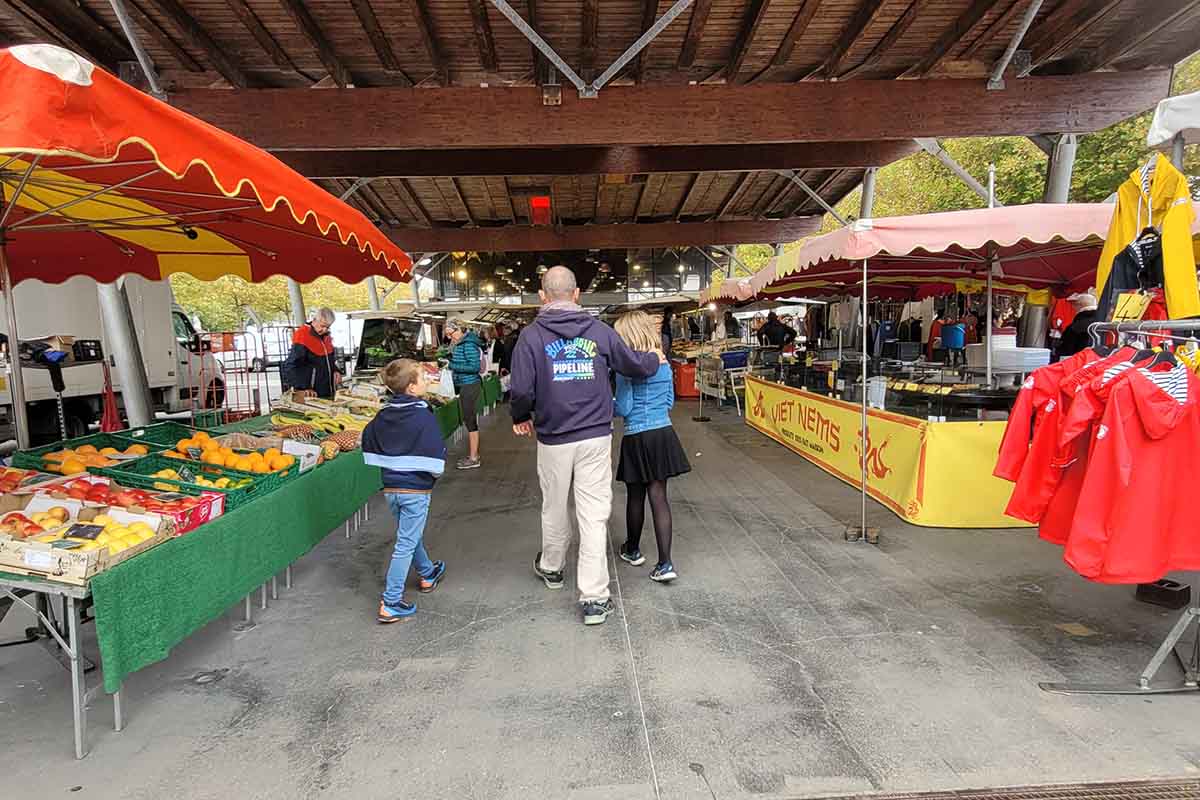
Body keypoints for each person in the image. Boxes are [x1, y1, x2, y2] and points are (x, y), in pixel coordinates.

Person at [510, 266, 662, 626]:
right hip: (595, 434)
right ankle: (594, 598)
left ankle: (552, 567)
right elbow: (632, 364)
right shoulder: (599, 331)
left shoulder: (530, 337)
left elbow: (520, 389)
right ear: (577, 294)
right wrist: (654, 358)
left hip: (553, 437)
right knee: (593, 513)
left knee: (554, 504)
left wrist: (521, 415)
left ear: (542, 296)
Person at [362, 359, 448, 623]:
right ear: (411, 388)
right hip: (416, 490)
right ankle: (391, 601)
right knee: (405, 543)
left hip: (391, 488)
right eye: (423, 378)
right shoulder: (423, 415)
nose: (427, 381)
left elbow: (367, 437)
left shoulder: (383, 414)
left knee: (408, 535)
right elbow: (435, 451)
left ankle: (427, 572)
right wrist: (433, 474)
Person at [612, 311, 691, 583]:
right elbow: (669, 401)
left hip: (637, 435)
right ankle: (665, 563)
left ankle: (632, 550)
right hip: (663, 432)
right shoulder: (664, 362)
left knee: (635, 496)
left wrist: (604, 405)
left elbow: (624, 407)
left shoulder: (627, 368)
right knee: (659, 497)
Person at [444, 319, 483, 470]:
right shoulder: (461, 343)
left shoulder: (468, 344)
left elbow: (474, 367)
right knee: (469, 418)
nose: (449, 337)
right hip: (465, 384)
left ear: (459, 329)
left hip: (470, 384)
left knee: (470, 419)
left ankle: (474, 458)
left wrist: (452, 365)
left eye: (450, 333)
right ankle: (473, 455)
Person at [282, 307, 340, 399]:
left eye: (328, 327)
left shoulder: (326, 337)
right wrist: (303, 387)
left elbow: (328, 360)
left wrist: (336, 370)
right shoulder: (302, 334)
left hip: (327, 390)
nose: (324, 330)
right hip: (311, 393)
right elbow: (291, 365)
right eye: (322, 326)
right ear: (314, 320)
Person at [1055, 293, 1099, 361]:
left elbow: (1065, 352)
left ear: (1079, 305)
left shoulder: (1074, 327)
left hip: (1079, 364)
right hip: (1099, 364)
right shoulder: (1104, 324)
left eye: (1074, 304)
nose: (1073, 307)